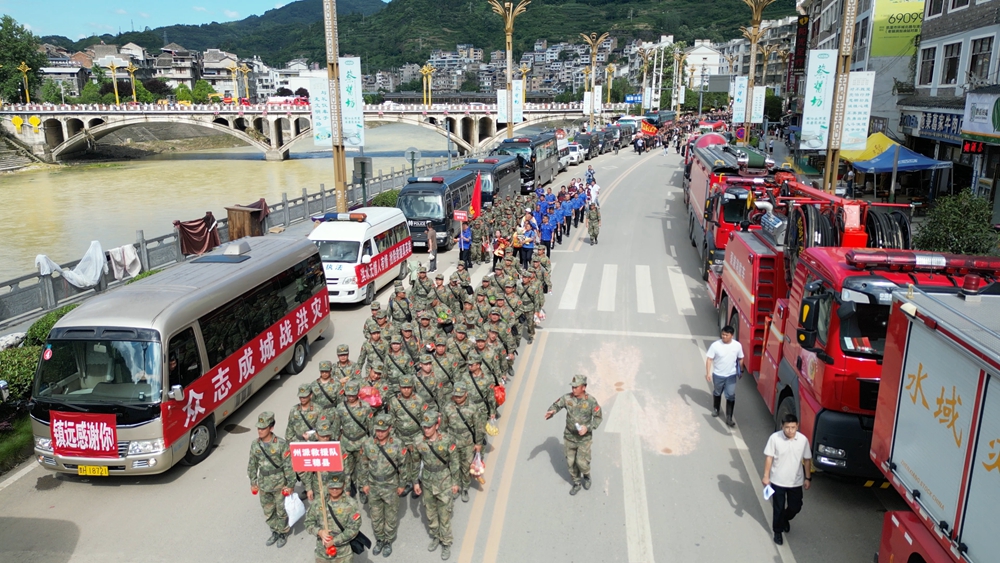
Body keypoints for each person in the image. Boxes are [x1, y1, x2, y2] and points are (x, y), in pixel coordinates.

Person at [412, 409, 462, 560]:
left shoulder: (447, 440)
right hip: (427, 481)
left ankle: (446, 543)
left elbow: (454, 462)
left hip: (444, 480)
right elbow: (415, 463)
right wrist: (415, 482)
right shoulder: (419, 441)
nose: (426, 429)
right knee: (430, 513)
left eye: (429, 426)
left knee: (444, 514)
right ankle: (435, 536)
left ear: (436, 425)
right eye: (424, 427)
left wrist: (455, 482)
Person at [544, 375, 603, 496]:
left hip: (584, 438)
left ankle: (586, 476)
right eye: (573, 387)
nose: (574, 389)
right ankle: (576, 483)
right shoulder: (567, 398)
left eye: (576, 387)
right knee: (570, 463)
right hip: (569, 437)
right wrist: (552, 411)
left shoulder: (591, 401)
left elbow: (598, 418)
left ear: (584, 387)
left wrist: (588, 428)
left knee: (581, 462)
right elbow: (557, 405)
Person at [360, 413, 408, 557]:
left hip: (391, 485)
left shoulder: (397, 444)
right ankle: (379, 539)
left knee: (391, 515)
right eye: (378, 430)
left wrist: (402, 484)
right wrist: (364, 484)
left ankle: (388, 541)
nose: (380, 433)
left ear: (390, 429)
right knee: (376, 516)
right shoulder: (368, 443)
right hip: (374, 485)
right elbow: (363, 465)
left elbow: (403, 466)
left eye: (383, 430)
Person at [248, 411, 296, 548]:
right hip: (263, 483)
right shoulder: (255, 445)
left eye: (263, 428)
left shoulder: (281, 444)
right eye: (259, 428)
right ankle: (274, 531)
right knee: (268, 510)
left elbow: (288, 465)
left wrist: (290, 484)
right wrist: (253, 482)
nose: (260, 431)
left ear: (271, 428)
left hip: (279, 483)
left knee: (281, 510)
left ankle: (283, 533)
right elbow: (252, 464)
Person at [763, 413, 812, 546]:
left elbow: (807, 460)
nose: (790, 430)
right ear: (782, 426)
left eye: (793, 427)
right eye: (787, 427)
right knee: (778, 507)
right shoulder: (775, 438)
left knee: (796, 506)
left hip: (795, 482)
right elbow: (769, 458)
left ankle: (785, 518)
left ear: (797, 426)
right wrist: (766, 476)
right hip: (777, 480)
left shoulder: (803, 440)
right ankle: (777, 531)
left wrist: (808, 478)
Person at [305, 473, 363, 562]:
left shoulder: (351, 504)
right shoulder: (319, 502)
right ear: (327, 484)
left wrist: (334, 541)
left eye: (338, 487)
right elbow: (308, 523)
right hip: (322, 552)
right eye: (332, 487)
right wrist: (319, 532)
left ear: (344, 485)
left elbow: (353, 529)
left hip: (343, 554)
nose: (334, 490)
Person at [705, 325, 744, 427]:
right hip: (718, 375)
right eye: (723, 334)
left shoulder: (737, 346)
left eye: (726, 335)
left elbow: (740, 358)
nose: (724, 336)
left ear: (732, 335)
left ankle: (729, 417)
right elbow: (709, 359)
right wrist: (708, 373)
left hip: (731, 375)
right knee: (717, 392)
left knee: (731, 395)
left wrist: (741, 370)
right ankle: (716, 409)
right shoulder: (715, 345)